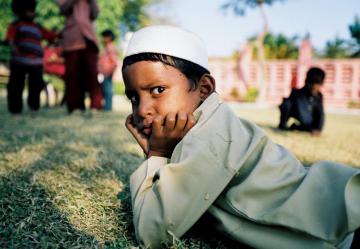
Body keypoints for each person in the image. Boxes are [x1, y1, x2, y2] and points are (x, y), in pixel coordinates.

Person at [122, 25, 360, 249]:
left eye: (158, 90)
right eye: (133, 97)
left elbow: (151, 233)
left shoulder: (209, 137)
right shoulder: (207, 126)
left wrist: (156, 155)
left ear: (204, 89)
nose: (142, 110)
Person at [5, 0, 57, 114]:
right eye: (29, 10)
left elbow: (52, 36)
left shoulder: (38, 27)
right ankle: (15, 108)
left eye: (33, 10)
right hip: (19, 61)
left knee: (36, 85)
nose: (32, 13)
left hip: (36, 63)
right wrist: (14, 49)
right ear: (21, 11)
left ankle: (34, 107)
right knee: (16, 85)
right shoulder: (15, 25)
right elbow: (10, 39)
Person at [57, 0, 102, 114]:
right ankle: (75, 107)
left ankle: (95, 106)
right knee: (72, 75)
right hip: (72, 38)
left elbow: (95, 14)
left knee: (92, 73)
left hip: (89, 38)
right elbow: (62, 9)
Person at [278, 67, 326, 136]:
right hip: (303, 119)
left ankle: (298, 127)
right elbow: (302, 114)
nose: (315, 87)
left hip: (309, 122)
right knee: (286, 103)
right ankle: (282, 125)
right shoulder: (297, 93)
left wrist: (318, 129)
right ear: (307, 81)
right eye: (312, 83)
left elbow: (320, 114)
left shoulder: (319, 96)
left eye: (318, 84)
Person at [98, 29, 119, 111]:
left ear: (109, 37)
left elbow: (114, 62)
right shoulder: (107, 48)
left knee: (108, 89)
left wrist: (109, 71)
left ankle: (108, 107)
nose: (102, 39)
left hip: (107, 72)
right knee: (105, 88)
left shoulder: (110, 48)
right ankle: (106, 106)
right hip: (105, 72)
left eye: (104, 37)